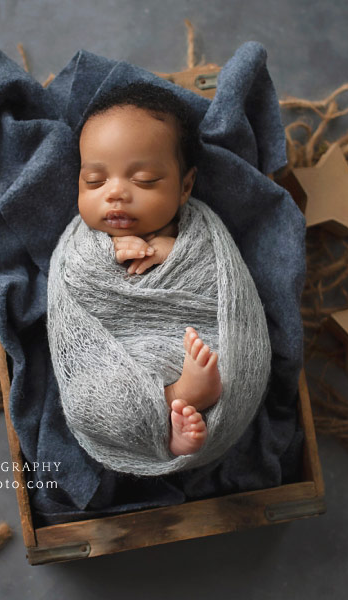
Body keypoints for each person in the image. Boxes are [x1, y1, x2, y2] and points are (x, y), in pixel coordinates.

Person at [74, 82, 228, 456]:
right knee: (85, 401)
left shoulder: (199, 230)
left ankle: (182, 410)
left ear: (185, 186)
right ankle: (174, 409)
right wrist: (106, 253)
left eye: (143, 180)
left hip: (186, 343)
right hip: (115, 357)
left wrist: (176, 251)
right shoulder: (84, 240)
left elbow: (224, 278)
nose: (114, 193)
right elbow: (74, 282)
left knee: (222, 355)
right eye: (94, 181)